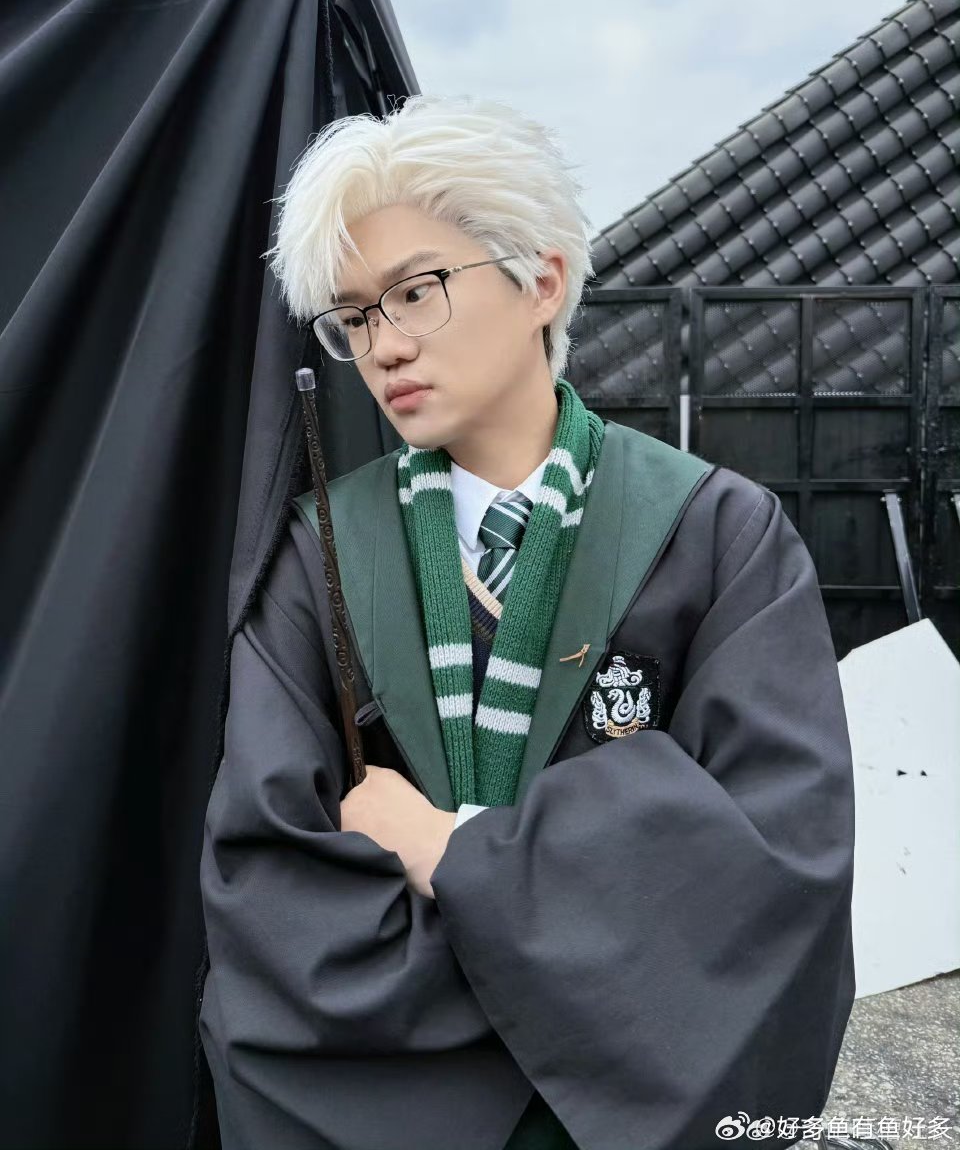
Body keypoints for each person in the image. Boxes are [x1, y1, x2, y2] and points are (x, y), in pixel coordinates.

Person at [198, 95, 856, 1150]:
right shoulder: (319, 558)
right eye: (355, 316)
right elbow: (271, 888)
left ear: (541, 281)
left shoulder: (718, 533)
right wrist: (557, 958)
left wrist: (451, 847)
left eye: (416, 292)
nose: (384, 346)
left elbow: (771, 865)